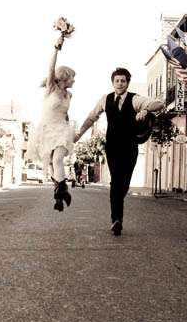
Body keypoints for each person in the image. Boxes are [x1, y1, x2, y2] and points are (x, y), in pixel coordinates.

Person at [76, 68, 164, 236]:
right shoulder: (105, 99)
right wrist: (79, 133)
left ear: (127, 83)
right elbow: (91, 117)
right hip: (112, 147)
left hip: (130, 147)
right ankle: (116, 220)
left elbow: (159, 104)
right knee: (116, 182)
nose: (120, 84)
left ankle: (117, 207)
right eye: (117, 81)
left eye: (123, 81)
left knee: (124, 184)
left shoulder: (135, 99)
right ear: (113, 82)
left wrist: (146, 110)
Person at [27, 36, 77, 211]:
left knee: (57, 160)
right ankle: (60, 195)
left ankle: (61, 193)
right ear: (64, 78)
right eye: (72, 78)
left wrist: (72, 134)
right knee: (51, 164)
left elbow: (65, 114)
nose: (74, 81)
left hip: (62, 129)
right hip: (46, 130)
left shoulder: (69, 95)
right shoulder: (51, 89)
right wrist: (57, 47)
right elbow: (51, 68)